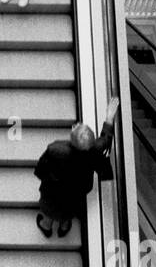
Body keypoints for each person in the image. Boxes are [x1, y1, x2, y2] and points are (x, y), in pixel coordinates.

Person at [33, 99, 120, 239]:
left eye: (76, 127)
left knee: (50, 211)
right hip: (76, 194)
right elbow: (106, 139)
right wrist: (109, 117)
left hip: (53, 193)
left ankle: (46, 226)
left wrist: (41, 175)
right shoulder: (95, 150)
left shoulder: (55, 149)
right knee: (69, 213)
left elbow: (41, 169)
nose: (75, 125)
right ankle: (64, 226)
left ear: (72, 140)